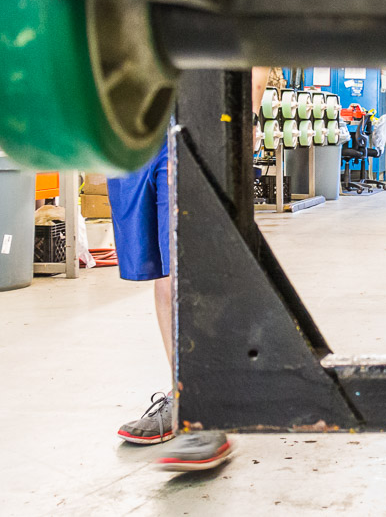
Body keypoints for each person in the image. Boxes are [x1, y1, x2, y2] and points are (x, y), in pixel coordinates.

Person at [114, 68, 270, 471]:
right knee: (164, 274)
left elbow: (246, 43)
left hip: (190, 112)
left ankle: (206, 407)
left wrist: (246, 113)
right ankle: (184, 394)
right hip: (127, 118)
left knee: (186, 268)